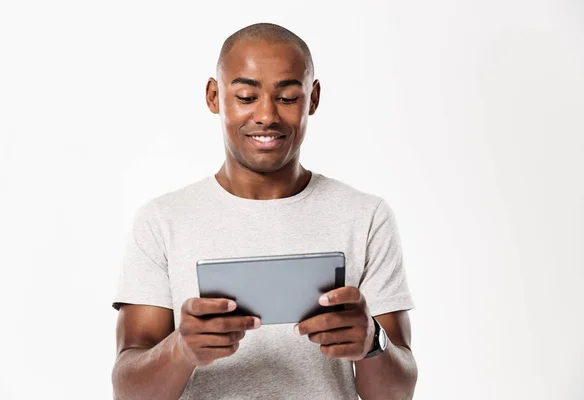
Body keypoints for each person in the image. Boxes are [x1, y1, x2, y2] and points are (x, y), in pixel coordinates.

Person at [111, 22, 418, 400]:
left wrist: (372, 341)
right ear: (213, 96)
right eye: (245, 96)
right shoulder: (162, 221)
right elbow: (128, 390)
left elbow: (396, 392)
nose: (267, 116)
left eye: (288, 97)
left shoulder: (366, 217)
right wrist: (180, 349)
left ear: (313, 98)